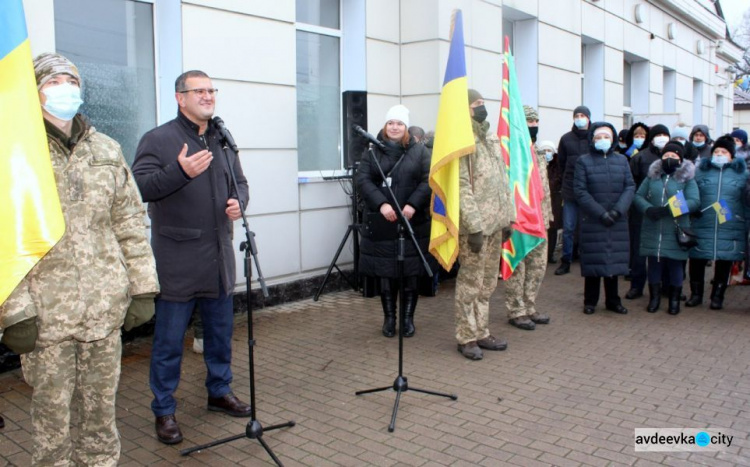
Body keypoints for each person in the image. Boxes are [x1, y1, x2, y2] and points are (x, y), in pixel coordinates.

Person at [0, 53, 159, 465]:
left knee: (101, 415)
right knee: (51, 420)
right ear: (33, 92)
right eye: (53, 82)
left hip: (104, 309)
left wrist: (142, 287)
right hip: (47, 312)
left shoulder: (105, 149)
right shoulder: (15, 154)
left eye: (70, 80)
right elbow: (4, 238)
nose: (64, 89)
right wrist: (13, 311)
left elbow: (129, 222)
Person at [132, 70, 251, 445]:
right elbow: (141, 187)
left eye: (211, 90)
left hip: (218, 258)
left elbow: (241, 184)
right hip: (178, 259)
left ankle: (219, 391)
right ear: (180, 98)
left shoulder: (222, 139)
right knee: (169, 343)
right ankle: (164, 410)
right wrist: (179, 171)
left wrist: (238, 204)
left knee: (220, 335)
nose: (208, 96)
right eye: (198, 90)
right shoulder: (159, 139)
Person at [357, 105, 432, 338]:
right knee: (386, 274)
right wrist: (382, 204)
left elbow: (428, 179)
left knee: (410, 273)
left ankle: (408, 319)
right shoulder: (371, 152)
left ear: (406, 127)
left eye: (399, 123)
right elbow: (363, 180)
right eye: (391, 123)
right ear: (385, 126)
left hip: (412, 222)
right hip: (383, 223)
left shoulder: (419, 151)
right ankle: (389, 319)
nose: (395, 127)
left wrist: (412, 204)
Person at [455, 89, 515, 360]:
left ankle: (481, 331)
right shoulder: (461, 141)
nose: (482, 108)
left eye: (482, 103)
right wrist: (474, 226)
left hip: (495, 224)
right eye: (476, 104)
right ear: (464, 108)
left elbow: (504, 181)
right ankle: (466, 337)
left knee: (488, 283)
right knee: (470, 282)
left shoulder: (489, 138)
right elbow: (461, 187)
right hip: (476, 229)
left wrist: (508, 218)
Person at [574, 122, 635, 314]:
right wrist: (600, 213)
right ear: (592, 140)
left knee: (613, 261)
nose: (602, 141)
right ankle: (590, 301)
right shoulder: (583, 161)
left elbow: (630, 187)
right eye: (598, 137)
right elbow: (580, 191)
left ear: (613, 139)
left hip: (617, 219)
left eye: (606, 137)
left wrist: (618, 211)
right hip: (594, 219)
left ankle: (613, 300)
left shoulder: (622, 161)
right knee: (594, 260)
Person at [633, 140, 699, 314]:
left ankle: (674, 300)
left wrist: (670, 209)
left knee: (675, 265)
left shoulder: (687, 178)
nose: (669, 158)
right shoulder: (652, 176)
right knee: (654, 264)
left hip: (676, 228)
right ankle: (654, 299)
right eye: (666, 155)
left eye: (673, 155)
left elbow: (694, 201)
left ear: (680, 158)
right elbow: (638, 196)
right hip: (653, 227)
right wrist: (648, 209)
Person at [685, 135, 749, 309]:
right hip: (701, 221)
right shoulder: (699, 172)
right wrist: (690, 208)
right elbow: (688, 192)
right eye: (717, 151)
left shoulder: (743, 175)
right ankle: (696, 294)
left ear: (732, 155)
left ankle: (717, 296)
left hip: (730, 223)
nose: (719, 154)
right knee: (697, 258)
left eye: (724, 151)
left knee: (724, 260)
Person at [504, 106, 553, 331]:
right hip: (519, 219)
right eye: (528, 122)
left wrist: (548, 215)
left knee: (537, 266)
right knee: (518, 266)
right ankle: (517, 310)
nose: (533, 126)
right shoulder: (510, 153)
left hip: (540, 218)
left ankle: (530, 305)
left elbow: (543, 188)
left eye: (535, 122)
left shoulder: (539, 153)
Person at [625, 123, 670, 300]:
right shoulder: (640, 158)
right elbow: (631, 185)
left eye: (664, 135)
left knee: (664, 251)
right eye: (658, 135)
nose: (661, 138)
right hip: (641, 212)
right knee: (638, 251)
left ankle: (666, 286)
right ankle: (636, 286)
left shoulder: (674, 157)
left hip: (665, 214)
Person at [555, 105, 592, 275]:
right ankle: (566, 260)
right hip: (570, 189)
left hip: (589, 190)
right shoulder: (566, 139)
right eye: (576, 115)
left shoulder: (594, 138)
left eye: (582, 115)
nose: (579, 118)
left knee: (587, 227)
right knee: (568, 227)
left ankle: (587, 259)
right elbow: (561, 164)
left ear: (588, 118)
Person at [538, 140, 562, 263]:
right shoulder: (536, 164)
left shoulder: (557, 165)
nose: (547, 153)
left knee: (552, 227)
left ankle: (550, 253)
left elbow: (558, 179)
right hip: (539, 200)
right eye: (544, 150)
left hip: (554, 200)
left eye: (549, 151)